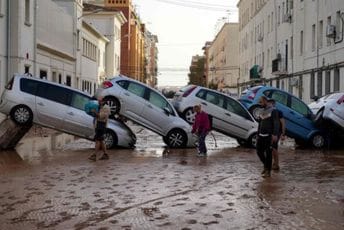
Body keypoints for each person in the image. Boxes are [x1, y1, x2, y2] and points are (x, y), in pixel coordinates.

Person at [256, 96, 280, 178]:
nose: (260, 104)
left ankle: (268, 171)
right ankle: (266, 166)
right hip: (261, 135)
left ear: (265, 101)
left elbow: (276, 123)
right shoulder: (261, 111)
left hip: (269, 135)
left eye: (261, 102)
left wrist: (275, 134)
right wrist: (258, 133)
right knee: (259, 152)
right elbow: (260, 123)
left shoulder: (274, 111)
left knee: (269, 153)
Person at [89, 97, 111, 161]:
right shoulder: (99, 106)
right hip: (98, 125)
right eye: (98, 101)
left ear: (104, 101)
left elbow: (101, 116)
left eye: (100, 101)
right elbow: (96, 116)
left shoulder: (106, 108)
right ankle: (105, 154)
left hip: (102, 125)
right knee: (101, 140)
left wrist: (95, 112)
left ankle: (94, 155)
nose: (99, 102)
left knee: (97, 140)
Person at [268, 98, 286, 171]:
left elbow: (283, 122)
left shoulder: (278, 112)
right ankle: (273, 163)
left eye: (270, 104)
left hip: (276, 133)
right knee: (271, 148)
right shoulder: (268, 112)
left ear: (274, 104)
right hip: (270, 132)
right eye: (268, 103)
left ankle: (276, 164)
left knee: (274, 148)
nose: (269, 105)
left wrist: (283, 134)